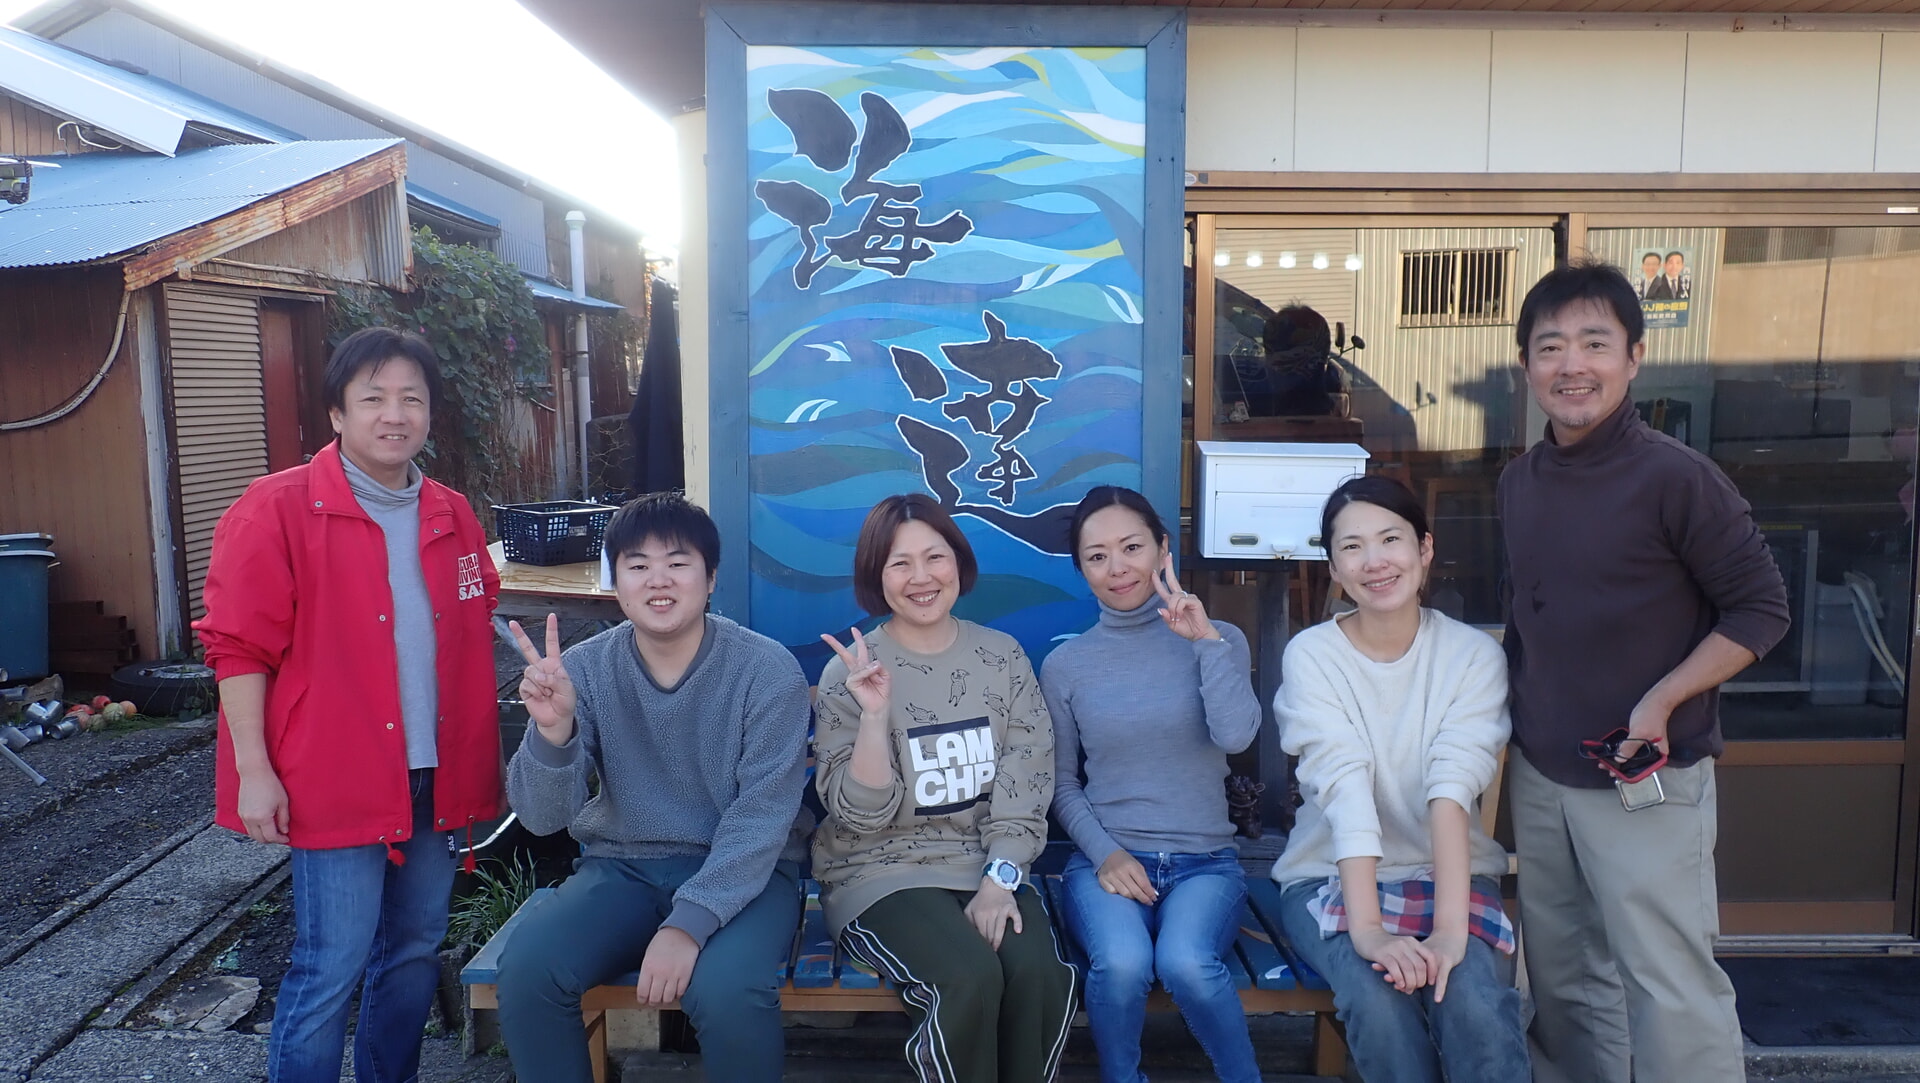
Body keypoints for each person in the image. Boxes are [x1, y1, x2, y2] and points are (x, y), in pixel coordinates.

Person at [1500, 261, 1789, 1083]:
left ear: (1634, 356)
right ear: (1526, 364)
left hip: (1646, 774)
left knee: (1669, 984)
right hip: (1542, 774)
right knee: (1562, 985)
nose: (1572, 365)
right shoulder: (1519, 481)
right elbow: (1528, 620)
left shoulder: (1677, 477)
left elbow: (1762, 609)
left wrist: (1661, 699)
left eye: (1595, 343)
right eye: (1550, 346)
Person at [196, 327, 502, 1083]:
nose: (394, 415)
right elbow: (238, 648)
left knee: (414, 952)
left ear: (429, 413)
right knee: (330, 961)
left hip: (437, 774)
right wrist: (256, 771)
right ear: (337, 413)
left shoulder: (453, 513)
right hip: (333, 777)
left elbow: (469, 628)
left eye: (411, 399)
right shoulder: (276, 509)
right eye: (373, 398)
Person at [494, 493, 811, 1083]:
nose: (657, 580)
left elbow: (763, 817)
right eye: (637, 565)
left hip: (749, 875)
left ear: (710, 578)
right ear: (616, 583)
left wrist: (687, 925)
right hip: (622, 869)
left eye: (678, 563)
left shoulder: (766, 671)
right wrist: (553, 733)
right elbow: (541, 818)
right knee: (530, 971)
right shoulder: (584, 669)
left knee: (728, 990)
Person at [1270, 474, 1530, 1083]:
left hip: (1449, 875)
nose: (1375, 561)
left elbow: (1452, 788)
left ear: (1425, 548)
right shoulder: (1313, 655)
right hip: (1327, 877)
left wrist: (1448, 932)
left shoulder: (1472, 655)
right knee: (1378, 1002)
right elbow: (1344, 789)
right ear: (1334, 567)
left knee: (1472, 1000)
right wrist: (1369, 933)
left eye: (1391, 539)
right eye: (1352, 546)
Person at [812, 493, 1078, 1083]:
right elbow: (859, 818)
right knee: (967, 978)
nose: (921, 578)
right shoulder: (850, 672)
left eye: (935, 557)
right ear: (876, 575)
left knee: (1040, 976)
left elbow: (1027, 779)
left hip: (984, 864)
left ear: (958, 561)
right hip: (879, 873)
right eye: (899, 563)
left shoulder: (1002, 658)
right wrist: (874, 716)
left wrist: (999, 880)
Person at [1042, 485, 1264, 1083]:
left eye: (1132, 547)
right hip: (1108, 863)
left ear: (1163, 549)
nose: (1117, 568)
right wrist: (1106, 853)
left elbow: (1236, 736)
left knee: (1186, 962)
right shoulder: (1066, 665)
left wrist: (1205, 643)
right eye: (1097, 556)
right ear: (1081, 569)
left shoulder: (1218, 637)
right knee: (1121, 963)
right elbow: (1061, 783)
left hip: (1205, 864)